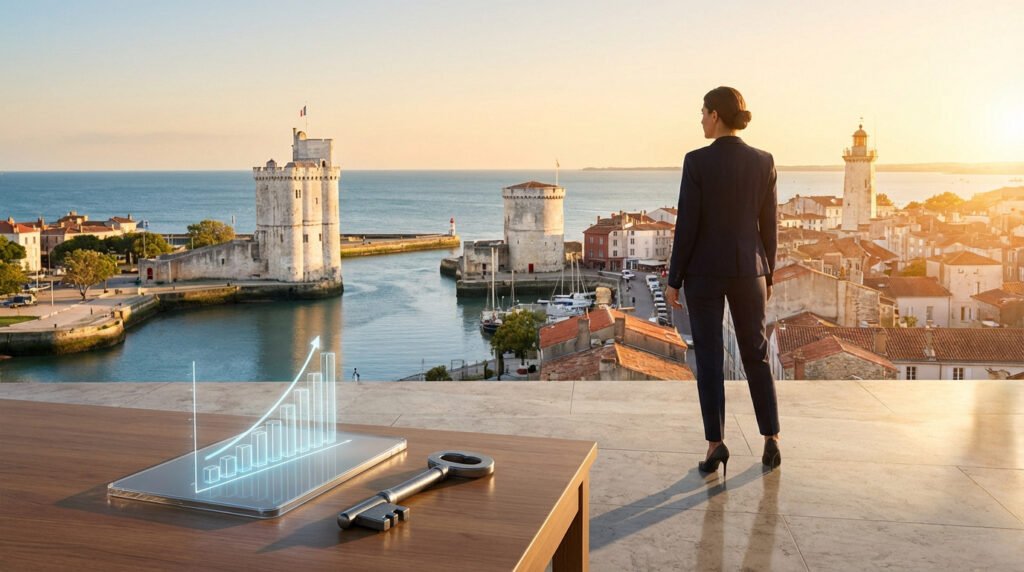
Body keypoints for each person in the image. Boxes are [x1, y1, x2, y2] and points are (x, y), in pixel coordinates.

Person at [665, 86, 781, 479]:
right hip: (750, 271)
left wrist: (673, 278)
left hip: (703, 273)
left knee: (711, 358)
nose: (700, 118)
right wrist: (769, 271)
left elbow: (687, 225)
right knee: (756, 353)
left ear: (716, 115)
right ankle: (772, 438)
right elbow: (770, 227)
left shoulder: (696, 162)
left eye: (702, 112)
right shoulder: (764, 161)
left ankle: (715, 444)